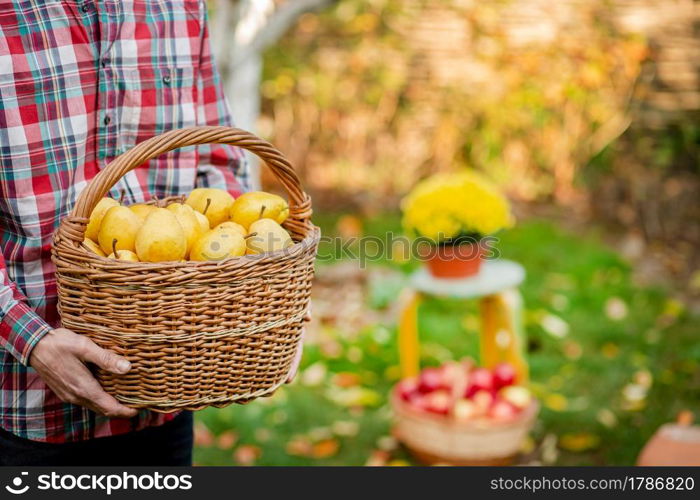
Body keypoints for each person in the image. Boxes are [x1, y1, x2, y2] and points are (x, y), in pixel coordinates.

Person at [0, 0, 249, 465]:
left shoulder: (179, 6)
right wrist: (31, 340)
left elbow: (220, 160)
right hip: (27, 402)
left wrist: (251, 297)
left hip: (167, 392)